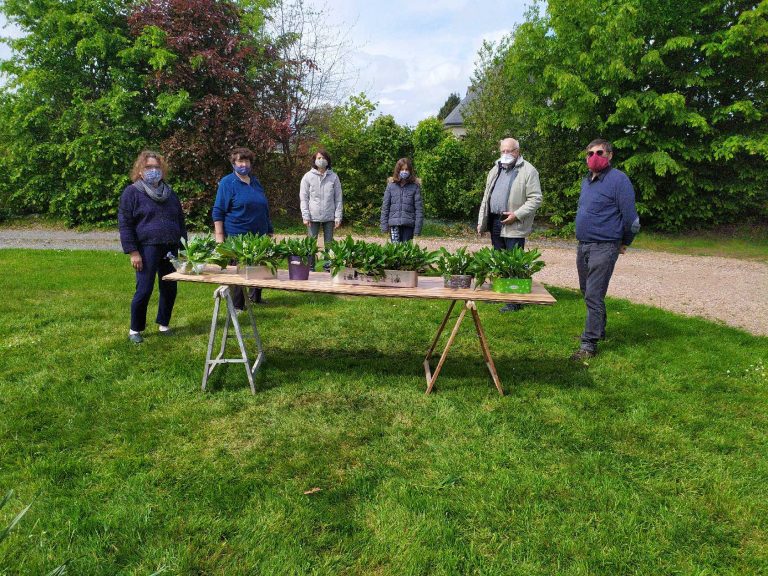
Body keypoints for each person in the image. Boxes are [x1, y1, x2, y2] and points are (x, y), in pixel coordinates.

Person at [571, 138, 640, 361]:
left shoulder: (619, 180)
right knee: (587, 291)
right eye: (589, 153)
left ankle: (588, 344)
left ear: (609, 155)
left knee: (593, 293)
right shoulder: (587, 181)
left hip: (605, 245)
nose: (594, 157)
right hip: (584, 245)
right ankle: (598, 330)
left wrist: (624, 242)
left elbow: (631, 219)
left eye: (599, 152)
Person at [119, 150, 187, 344]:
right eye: (148, 167)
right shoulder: (132, 192)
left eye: (157, 167)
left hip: (171, 247)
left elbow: (180, 221)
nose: (153, 171)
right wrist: (133, 251)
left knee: (169, 288)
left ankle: (164, 324)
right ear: (140, 170)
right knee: (144, 289)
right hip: (146, 248)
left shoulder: (170, 193)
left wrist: (184, 248)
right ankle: (135, 329)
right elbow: (125, 224)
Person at [477, 137, 542, 311]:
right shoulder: (495, 169)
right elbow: (486, 197)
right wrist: (481, 222)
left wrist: (517, 214)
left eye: (509, 151)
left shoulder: (529, 170)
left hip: (514, 222)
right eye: (503, 151)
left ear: (517, 151)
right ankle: (500, 293)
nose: (505, 154)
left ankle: (514, 302)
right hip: (495, 220)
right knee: (499, 260)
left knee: (514, 262)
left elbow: (536, 198)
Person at [213, 147, 274, 310]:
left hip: (259, 234)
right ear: (233, 163)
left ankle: (256, 297)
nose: (244, 164)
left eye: (247, 161)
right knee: (239, 271)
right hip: (237, 235)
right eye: (240, 161)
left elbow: (264, 207)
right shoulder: (227, 182)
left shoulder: (255, 182)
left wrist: (269, 229)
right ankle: (238, 306)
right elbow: (218, 211)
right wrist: (219, 237)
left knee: (259, 265)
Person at [299, 149, 343, 270]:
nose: (321, 160)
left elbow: (338, 198)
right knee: (311, 244)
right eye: (319, 158)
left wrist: (338, 216)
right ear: (314, 160)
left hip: (329, 216)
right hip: (312, 217)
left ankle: (328, 267)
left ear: (328, 161)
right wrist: (305, 215)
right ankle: (310, 268)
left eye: (323, 158)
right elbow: (304, 197)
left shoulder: (334, 177)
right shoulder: (308, 177)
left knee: (329, 244)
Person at [380, 158, 423, 242]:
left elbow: (419, 210)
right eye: (402, 169)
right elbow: (385, 207)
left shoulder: (415, 187)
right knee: (395, 251)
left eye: (406, 169)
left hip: (409, 225)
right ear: (398, 170)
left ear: (410, 171)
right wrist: (384, 226)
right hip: (394, 224)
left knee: (406, 251)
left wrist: (417, 229)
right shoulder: (391, 186)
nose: (404, 171)